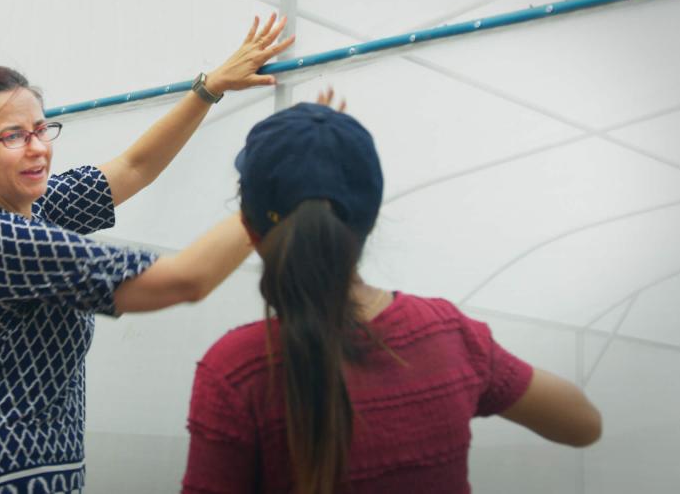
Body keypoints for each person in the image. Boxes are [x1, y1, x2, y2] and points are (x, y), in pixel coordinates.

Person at [0, 16, 305, 493]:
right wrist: (279, 191)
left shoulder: (37, 209)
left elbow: (134, 168)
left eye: (41, 129)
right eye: (14, 136)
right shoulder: (0, 241)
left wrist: (209, 88)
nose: (37, 149)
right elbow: (185, 279)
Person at [181, 101, 603, 493]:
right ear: (370, 219)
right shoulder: (448, 333)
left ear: (250, 231)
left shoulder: (235, 372)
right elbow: (583, 424)